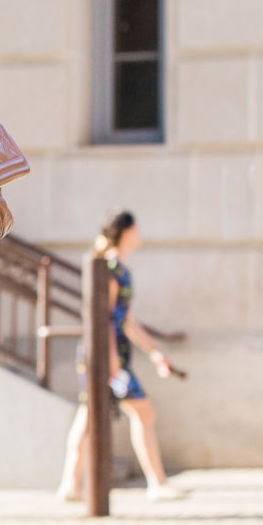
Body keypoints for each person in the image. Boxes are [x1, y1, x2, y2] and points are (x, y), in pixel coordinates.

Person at [56, 210, 179, 501]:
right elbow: (105, 317)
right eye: (136, 228)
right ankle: (156, 483)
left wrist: (154, 352)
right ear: (126, 232)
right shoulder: (109, 267)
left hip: (110, 354)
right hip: (104, 354)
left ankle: (70, 484)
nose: (140, 233)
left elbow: (128, 322)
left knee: (91, 417)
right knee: (138, 412)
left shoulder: (121, 269)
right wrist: (111, 361)